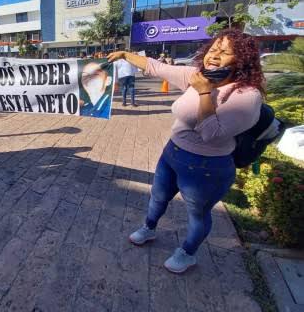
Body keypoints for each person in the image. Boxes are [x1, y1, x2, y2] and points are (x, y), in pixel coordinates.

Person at [108, 29, 263, 273]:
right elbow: (155, 67)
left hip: (207, 167)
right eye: (213, 49)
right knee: (158, 197)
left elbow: (210, 134)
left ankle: (188, 253)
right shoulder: (197, 75)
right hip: (172, 154)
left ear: (241, 59)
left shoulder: (247, 95)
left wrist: (204, 92)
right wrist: (125, 54)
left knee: (197, 214)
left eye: (225, 52)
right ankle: (149, 228)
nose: (214, 56)